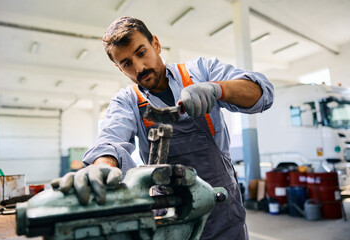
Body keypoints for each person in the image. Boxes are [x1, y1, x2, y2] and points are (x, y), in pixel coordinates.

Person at [52, 16, 274, 240]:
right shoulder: (127, 101)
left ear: (156, 44)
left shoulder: (200, 71)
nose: (139, 67)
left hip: (221, 208)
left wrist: (218, 89)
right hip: (168, 215)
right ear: (120, 69)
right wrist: (102, 166)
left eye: (141, 52)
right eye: (126, 63)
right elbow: (111, 138)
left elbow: (262, 93)